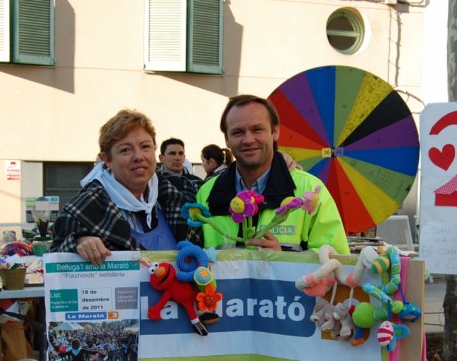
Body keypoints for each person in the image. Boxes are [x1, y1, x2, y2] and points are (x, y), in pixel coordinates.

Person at [195, 95, 349, 254]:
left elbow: (336, 262)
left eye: (257, 129)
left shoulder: (310, 191)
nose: (248, 140)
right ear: (227, 139)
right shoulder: (205, 195)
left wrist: (283, 261)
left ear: (275, 132)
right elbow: (191, 263)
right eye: (238, 132)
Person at [50, 110, 202, 264]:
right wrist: (78, 243)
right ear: (107, 159)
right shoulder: (82, 210)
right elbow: (55, 262)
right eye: (125, 150)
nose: (138, 157)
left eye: (145, 147)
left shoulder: (179, 196)